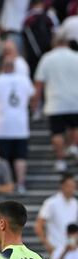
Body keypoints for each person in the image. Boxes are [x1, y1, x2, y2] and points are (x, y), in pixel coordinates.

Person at [0, 56, 34, 191]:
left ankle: (5, 183)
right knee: (20, 157)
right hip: (20, 125)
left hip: (1, 126)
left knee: (3, 158)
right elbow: (32, 94)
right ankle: (20, 184)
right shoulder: (24, 80)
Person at [33, 31, 78, 173]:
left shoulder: (47, 58)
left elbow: (39, 83)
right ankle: (73, 147)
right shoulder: (76, 57)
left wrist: (35, 104)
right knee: (75, 127)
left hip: (55, 102)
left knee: (57, 133)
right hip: (74, 100)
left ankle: (60, 160)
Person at [35, 174, 78, 256]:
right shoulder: (51, 203)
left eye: (73, 186)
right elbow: (38, 226)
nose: (71, 189)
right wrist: (48, 245)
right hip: (56, 249)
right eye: (68, 186)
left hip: (71, 250)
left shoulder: (75, 204)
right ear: (62, 186)